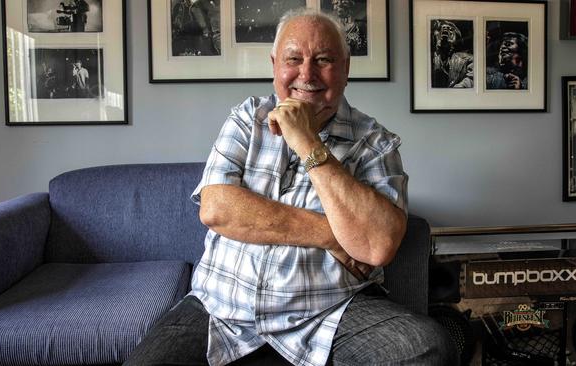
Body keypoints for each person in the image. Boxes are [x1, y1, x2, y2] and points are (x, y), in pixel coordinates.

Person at [124, 8, 454, 366]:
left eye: (323, 60)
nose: (306, 73)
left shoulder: (376, 143)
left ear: (345, 68)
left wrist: (308, 142)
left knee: (427, 346)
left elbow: (376, 246)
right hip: (220, 308)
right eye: (293, 59)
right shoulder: (246, 119)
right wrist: (332, 235)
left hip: (329, 313)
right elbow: (216, 208)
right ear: (274, 65)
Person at [431, 20, 473, 88]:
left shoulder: (469, 60)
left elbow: (471, 80)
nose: (445, 32)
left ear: (456, 38)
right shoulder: (429, 58)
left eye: (450, 30)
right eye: (441, 30)